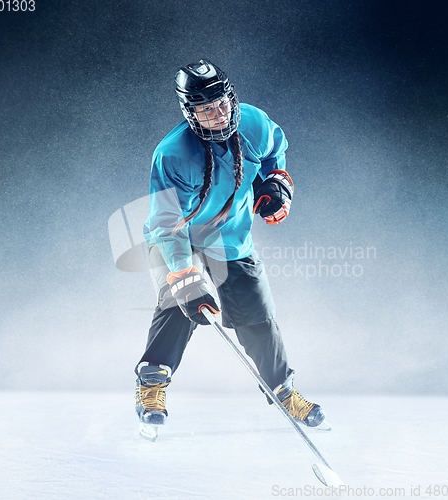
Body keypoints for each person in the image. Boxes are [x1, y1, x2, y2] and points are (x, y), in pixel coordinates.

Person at [135, 59, 325, 435]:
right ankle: (152, 384)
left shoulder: (253, 123)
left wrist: (274, 184)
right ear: (190, 112)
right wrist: (185, 274)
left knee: (257, 314)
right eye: (206, 108)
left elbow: (275, 154)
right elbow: (166, 223)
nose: (219, 114)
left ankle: (283, 390)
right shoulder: (172, 154)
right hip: (176, 240)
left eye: (222, 102)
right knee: (179, 304)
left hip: (231, 238)